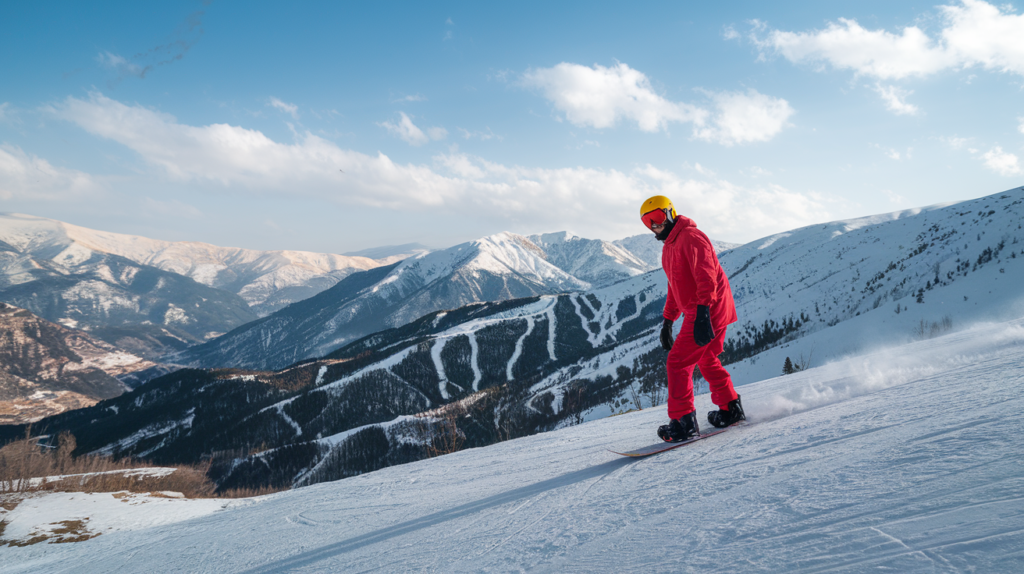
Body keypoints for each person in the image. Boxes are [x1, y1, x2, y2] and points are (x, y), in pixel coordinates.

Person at [639, 195, 745, 442]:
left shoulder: (691, 237)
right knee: (707, 358)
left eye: (656, 218)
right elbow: (675, 286)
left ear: (670, 213)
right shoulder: (669, 247)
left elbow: (706, 276)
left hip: (707, 309)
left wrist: (703, 313)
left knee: (677, 363)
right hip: (706, 310)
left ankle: (682, 422)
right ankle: (731, 408)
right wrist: (667, 320)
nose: (654, 226)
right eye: (647, 222)